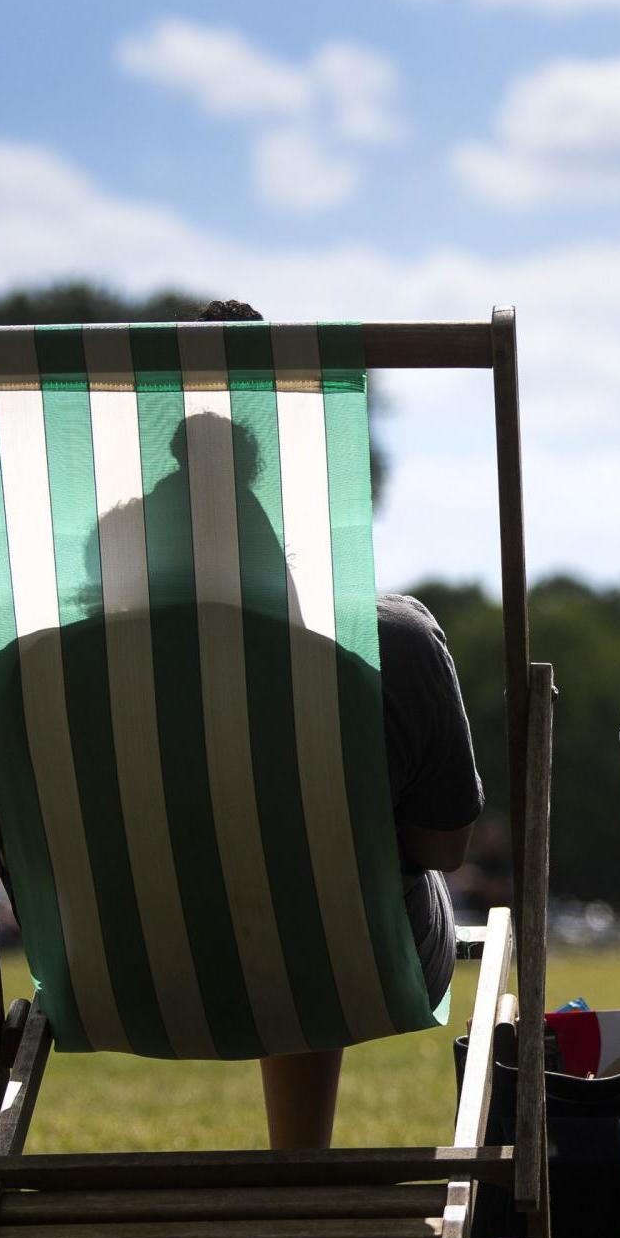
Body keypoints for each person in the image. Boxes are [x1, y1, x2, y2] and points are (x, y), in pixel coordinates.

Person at [189, 302, 485, 1150]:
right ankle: (298, 1160)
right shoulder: (382, 643)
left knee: (268, 873)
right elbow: (442, 847)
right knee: (323, 882)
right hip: (344, 961)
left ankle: (297, 1160)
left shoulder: (30, 668)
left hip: (111, 970)